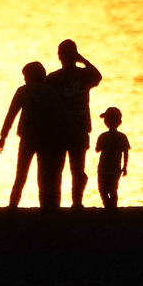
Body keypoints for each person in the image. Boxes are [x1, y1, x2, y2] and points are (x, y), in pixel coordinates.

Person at [46, 40, 102, 208]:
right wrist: (83, 60)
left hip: (70, 128)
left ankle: (69, 203)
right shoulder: (79, 76)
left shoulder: (55, 78)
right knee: (73, 168)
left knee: (67, 169)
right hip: (71, 128)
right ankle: (74, 202)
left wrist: (82, 60)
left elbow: (98, 77)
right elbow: (97, 76)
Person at [0, 62, 62, 210]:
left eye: (25, 76)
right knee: (44, 176)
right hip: (46, 138)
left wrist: (3, 136)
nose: (24, 80)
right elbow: (58, 116)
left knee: (20, 174)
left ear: (30, 76)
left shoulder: (23, 91)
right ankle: (46, 207)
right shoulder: (50, 92)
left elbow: (11, 114)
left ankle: (13, 205)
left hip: (27, 138)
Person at [94, 107, 130, 211]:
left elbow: (97, 149)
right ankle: (112, 207)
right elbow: (126, 152)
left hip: (103, 168)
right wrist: (125, 166)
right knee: (113, 189)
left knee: (103, 190)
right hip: (115, 169)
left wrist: (125, 166)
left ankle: (108, 206)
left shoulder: (103, 136)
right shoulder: (122, 137)